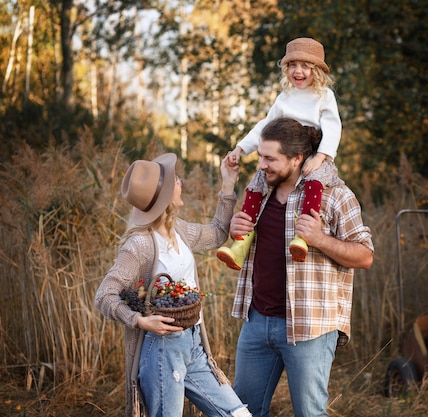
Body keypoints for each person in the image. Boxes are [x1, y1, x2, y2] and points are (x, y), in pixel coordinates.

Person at [228, 118, 374, 417]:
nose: (262, 165)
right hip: (257, 320)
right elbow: (246, 241)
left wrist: (319, 238)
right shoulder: (260, 190)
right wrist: (236, 227)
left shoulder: (335, 195)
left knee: (309, 413)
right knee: (242, 411)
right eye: (260, 157)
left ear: (297, 159)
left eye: (270, 159)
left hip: (310, 327)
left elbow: (365, 255)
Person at [94, 152, 252, 417]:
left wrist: (227, 183)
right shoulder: (140, 244)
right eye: (176, 180)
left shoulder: (178, 229)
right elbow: (104, 295)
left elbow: (217, 233)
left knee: (238, 414)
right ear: (166, 195)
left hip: (193, 343)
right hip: (162, 349)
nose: (181, 182)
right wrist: (139, 321)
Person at [217, 37, 343, 270]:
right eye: (292, 65)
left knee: (315, 182)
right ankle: (241, 241)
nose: (298, 71)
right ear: (286, 69)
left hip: (314, 152)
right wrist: (240, 148)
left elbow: (333, 128)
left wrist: (321, 156)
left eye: (305, 66)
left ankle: (302, 237)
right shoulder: (284, 98)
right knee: (256, 184)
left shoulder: (324, 96)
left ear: (317, 70)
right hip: (284, 153)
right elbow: (265, 126)